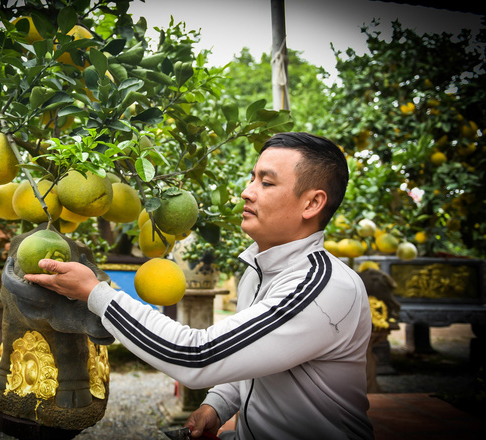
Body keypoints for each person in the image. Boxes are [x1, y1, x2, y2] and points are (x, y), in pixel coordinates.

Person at [24, 132, 374, 439]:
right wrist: (217, 405)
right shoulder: (258, 271)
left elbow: (197, 356)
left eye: (266, 183)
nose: (247, 192)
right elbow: (251, 357)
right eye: (252, 178)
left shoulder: (321, 289)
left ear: (312, 203)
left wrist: (96, 293)